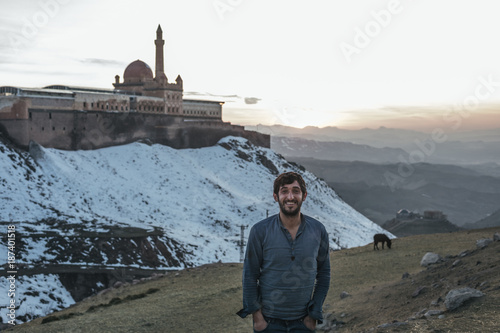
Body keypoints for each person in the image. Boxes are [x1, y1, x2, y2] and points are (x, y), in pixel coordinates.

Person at [237, 172, 331, 332]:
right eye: (284, 191)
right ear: (275, 196)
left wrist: (313, 315)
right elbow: (250, 275)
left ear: (304, 195)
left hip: (304, 323)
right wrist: (257, 318)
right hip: (268, 323)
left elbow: (324, 273)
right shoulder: (260, 231)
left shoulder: (318, 230)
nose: (290, 196)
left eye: (295, 191)